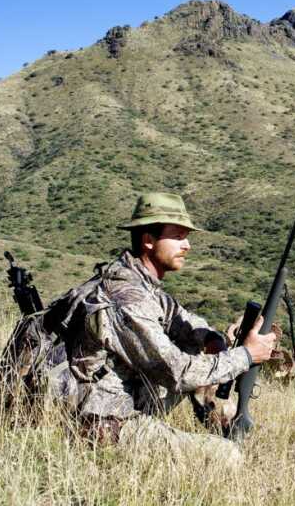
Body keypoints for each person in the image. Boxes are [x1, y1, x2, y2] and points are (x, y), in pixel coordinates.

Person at [63, 192, 276, 461]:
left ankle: (217, 420)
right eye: (177, 237)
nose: (186, 245)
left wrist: (213, 340)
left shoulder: (141, 282)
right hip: (102, 423)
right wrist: (246, 355)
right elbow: (177, 371)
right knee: (227, 456)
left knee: (194, 345)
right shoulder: (128, 298)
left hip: (122, 399)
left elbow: (184, 319)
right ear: (148, 241)